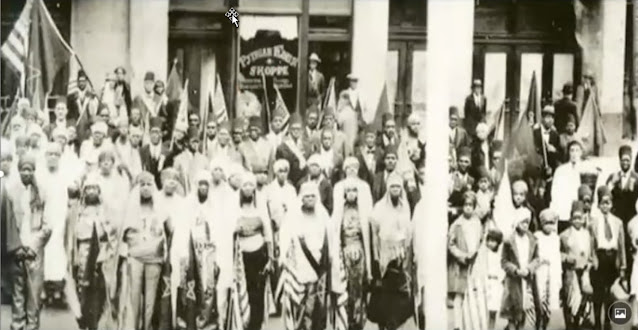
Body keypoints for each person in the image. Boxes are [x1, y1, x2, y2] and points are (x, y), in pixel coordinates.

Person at [172, 170, 234, 329]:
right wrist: (183, 253)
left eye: (206, 184)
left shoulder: (215, 206)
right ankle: (188, 322)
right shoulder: (187, 204)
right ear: (196, 186)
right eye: (201, 184)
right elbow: (181, 230)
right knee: (189, 287)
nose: (204, 187)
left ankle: (204, 322)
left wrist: (217, 254)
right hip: (191, 252)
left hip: (208, 253)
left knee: (208, 288)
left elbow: (219, 231)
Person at [278, 182, 334, 330]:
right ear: (301, 198)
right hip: (300, 267)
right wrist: (284, 257)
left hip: (319, 268)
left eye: (313, 196)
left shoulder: (323, 215)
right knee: (301, 308)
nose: (310, 199)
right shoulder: (293, 216)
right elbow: (284, 237)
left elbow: (331, 239)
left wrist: (331, 258)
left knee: (318, 309)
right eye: (306, 196)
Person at [66, 173, 119, 330]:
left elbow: (112, 231)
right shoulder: (78, 211)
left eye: (94, 188)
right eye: (88, 188)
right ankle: (83, 320)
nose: (91, 192)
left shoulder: (105, 210)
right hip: (82, 253)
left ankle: (97, 321)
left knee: (99, 290)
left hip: (101, 254)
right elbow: (72, 234)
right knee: (83, 289)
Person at [119, 172, 169, 330]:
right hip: (136, 257)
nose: (146, 188)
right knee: (134, 298)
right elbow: (126, 234)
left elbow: (169, 230)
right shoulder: (131, 207)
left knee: (150, 299)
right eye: (142, 184)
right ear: (137, 187)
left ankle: (147, 327)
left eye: (149, 184)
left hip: (154, 258)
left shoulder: (160, 206)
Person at [7, 155, 52, 330]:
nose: (26, 172)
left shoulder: (42, 192)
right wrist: (15, 246)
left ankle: (32, 327)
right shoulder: (11, 193)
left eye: (30, 169)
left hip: (35, 251)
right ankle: (17, 325)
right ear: (18, 171)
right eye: (23, 169)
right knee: (18, 294)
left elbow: (48, 225)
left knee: (34, 294)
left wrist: (34, 246)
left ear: (34, 171)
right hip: (17, 249)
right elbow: (7, 223)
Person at [368, 173, 413, 330]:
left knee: (397, 300)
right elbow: (374, 235)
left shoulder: (405, 207)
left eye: (398, 187)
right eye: (392, 186)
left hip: (399, 257)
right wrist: (376, 257)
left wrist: (404, 253)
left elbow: (408, 232)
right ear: (388, 188)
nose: (395, 189)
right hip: (383, 258)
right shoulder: (379, 207)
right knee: (383, 299)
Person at [330, 178, 371, 330]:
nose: (351, 194)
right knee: (344, 290)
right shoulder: (339, 211)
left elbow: (366, 236)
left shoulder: (363, 211)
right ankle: (344, 324)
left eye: (354, 190)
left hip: (360, 254)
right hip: (344, 253)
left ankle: (357, 323)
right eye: (349, 191)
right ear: (344, 193)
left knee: (358, 291)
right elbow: (335, 234)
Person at [236, 172, 274, 330]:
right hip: (241, 258)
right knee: (243, 295)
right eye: (244, 185)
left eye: (250, 185)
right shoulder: (236, 210)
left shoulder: (260, 208)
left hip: (259, 257)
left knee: (257, 295)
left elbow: (268, 234)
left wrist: (270, 259)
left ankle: (256, 326)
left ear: (254, 189)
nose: (247, 188)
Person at [590, 185, 626, 330]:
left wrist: (622, 265)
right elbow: (591, 244)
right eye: (603, 203)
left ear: (612, 204)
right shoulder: (593, 222)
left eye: (608, 202)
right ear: (598, 205)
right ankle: (597, 321)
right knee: (598, 292)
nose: (605, 206)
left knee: (611, 293)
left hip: (613, 258)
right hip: (600, 258)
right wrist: (593, 260)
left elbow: (621, 245)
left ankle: (608, 322)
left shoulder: (617, 222)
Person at [448, 191, 483, 330]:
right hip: (460, 264)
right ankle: (457, 324)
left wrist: (476, 254)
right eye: (465, 205)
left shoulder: (477, 222)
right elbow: (451, 245)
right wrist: (461, 256)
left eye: (471, 205)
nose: (468, 207)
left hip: (474, 263)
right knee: (459, 295)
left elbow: (480, 240)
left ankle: (471, 323)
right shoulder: (457, 224)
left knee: (473, 294)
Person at [500, 208, 540, 330]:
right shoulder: (509, 241)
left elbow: (537, 259)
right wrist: (515, 270)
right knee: (512, 313)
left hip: (527, 280)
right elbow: (504, 261)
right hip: (513, 281)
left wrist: (529, 269)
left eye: (527, 222)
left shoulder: (532, 240)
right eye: (523, 222)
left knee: (526, 311)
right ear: (517, 222)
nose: (525, 225)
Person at [560, 201, 594, 329]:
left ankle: (580, 321)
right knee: (570, 299)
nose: (577, 221)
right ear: (570, 218)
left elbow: (591, 253)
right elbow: (558, 253)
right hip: (571, 271)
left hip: (584, 271)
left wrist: (590, 264)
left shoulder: (587, 234)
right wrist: (566, 258)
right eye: (575, 218)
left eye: (580, 218)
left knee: (585, 297)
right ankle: (570, 324)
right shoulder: (564, 235)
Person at [534, 209, 561, 330]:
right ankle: (539, 323)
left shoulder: (556, 238)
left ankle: (546, 323)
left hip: (553, 270)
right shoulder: (537, 236)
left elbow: (557, 256)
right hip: (541, 270)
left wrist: (558, 273)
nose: (549, 226)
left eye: (551, 223)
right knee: (540, 298)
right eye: (546, 223)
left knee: (551, 300)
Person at [551, 140, 587, 227]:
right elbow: (555, 193)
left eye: (577, 150)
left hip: (580, 212)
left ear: (581, 152)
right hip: (564, 212)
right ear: (568, 152)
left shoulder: (586, 169)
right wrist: (556, 211)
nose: (574, 153)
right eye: (572, 150)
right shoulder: (560, 170)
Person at [276, 114, 311, 185]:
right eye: (293, 129)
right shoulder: (282, 147)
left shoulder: (307, 146)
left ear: (302, 130)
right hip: (288, 181)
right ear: (289, 130)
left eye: (298, 129)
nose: (296, 131)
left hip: (303, 181)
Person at [607, 144, 638, 225]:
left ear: (631, 161)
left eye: (627, 160)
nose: (625, 163)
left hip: (631, 219)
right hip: (616, 218)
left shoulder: (636, 178)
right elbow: (606, 194)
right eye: (623, 160)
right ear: (619, 161)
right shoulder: (613, 177)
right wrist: (612, 184)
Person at [173, 127, 209, 194]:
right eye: (193, 142)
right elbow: (175, 179)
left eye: (197, 142)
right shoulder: (178, 159)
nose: (195, 144)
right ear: (187, 142)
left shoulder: (204, 160)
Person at [533, 105, 562, 182]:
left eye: (552, 118)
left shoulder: (555, 135)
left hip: (550, 174)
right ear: (542, 118)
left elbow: (560, 155)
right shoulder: (535, 133)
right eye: (548, 117)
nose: (551, 120)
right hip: (537, 172)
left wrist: (554, 150)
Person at [140, 117, 170, 189]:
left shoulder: (167, 153)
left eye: (157, 132)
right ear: (149, 133)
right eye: (152, 132)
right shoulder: (143, 151)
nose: (155, 135)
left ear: (161, 134)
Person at [484, 229, 505, 330]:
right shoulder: (484, 255)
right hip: (486, 283)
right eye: (489, 240)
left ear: (498, 243)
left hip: (496, 285)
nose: (490, 243)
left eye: (493, 241)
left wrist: (501, 280)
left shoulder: (500, 256)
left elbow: (502, 270)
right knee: (484, 310)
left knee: (493, 311)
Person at [448, 147, 475, 221]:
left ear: (470, 163)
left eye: (466, 162)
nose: (463, 164)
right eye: (461, 161)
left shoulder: (472, 180)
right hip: (452, 214)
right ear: (457, 162)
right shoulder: (451, 178)